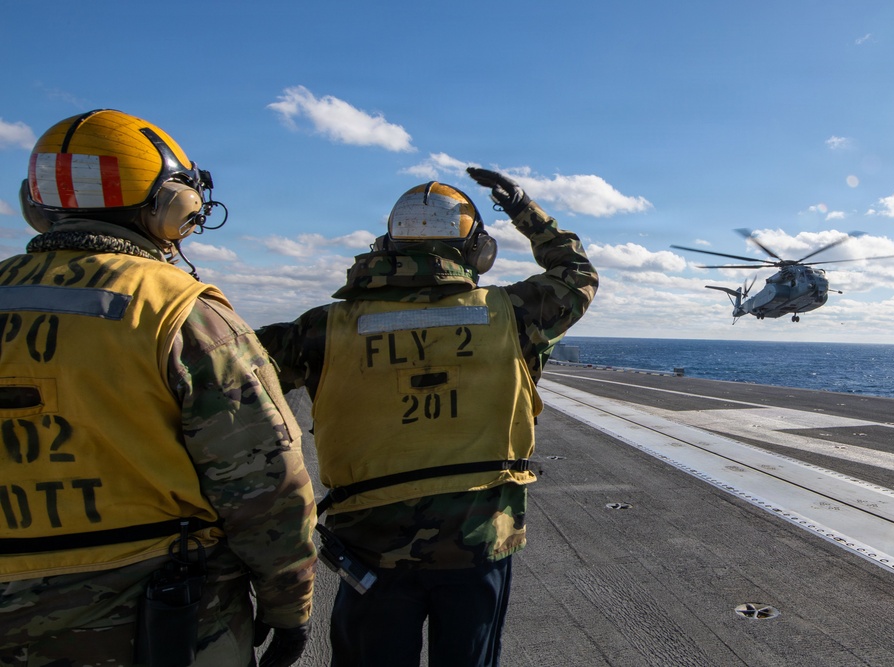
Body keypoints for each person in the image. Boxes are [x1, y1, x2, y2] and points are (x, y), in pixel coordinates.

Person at [0, 109, 316, 667]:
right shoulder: (181, 312)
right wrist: (288, 608)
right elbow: (267, 488)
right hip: (155, 618)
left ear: (35, 204)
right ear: (174, 205)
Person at [256, 167, 598, 666]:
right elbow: (578, 273)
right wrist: (524, 207)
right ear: (479, 252)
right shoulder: (513, 314)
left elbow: (228, 379)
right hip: (477, 545)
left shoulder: (321, 328)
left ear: (387, 245)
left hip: (368, 552)